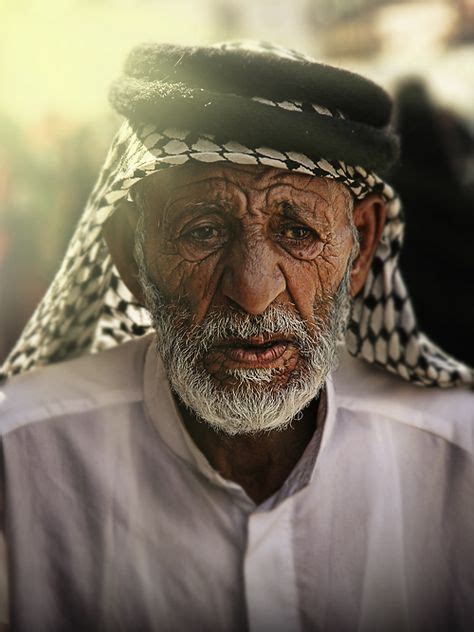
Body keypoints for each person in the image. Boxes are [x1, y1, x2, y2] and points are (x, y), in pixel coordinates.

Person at [0, 41, 472, 632]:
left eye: (297, 232)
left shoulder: (457, 458)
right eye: (204, 230)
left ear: (361, 246)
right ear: (129, 253)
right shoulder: (17, 459)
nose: (252, 292)